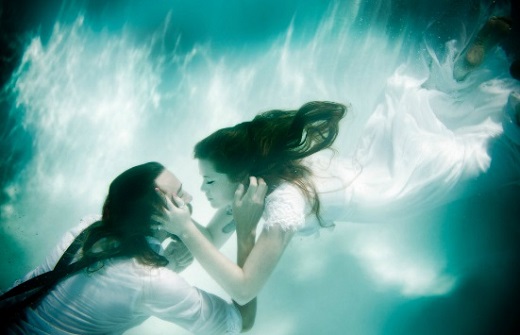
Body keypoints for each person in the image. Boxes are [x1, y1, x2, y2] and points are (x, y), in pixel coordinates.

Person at [0, 162, 263, 334]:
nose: (190, 198)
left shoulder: (88, 228)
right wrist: (247, 230)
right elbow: (240, 322)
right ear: (161, 216)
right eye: (181, 195)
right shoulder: (154, 282)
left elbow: (118, 279)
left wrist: (168, 258)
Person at [154, 101, 347, 305]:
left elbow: (244, 292)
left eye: (210, 180)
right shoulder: (247, 190)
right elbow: (211, 239)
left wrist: (184, 229)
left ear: (240, 176)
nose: (202, 189)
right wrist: (172, 216)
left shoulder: (285, 201)